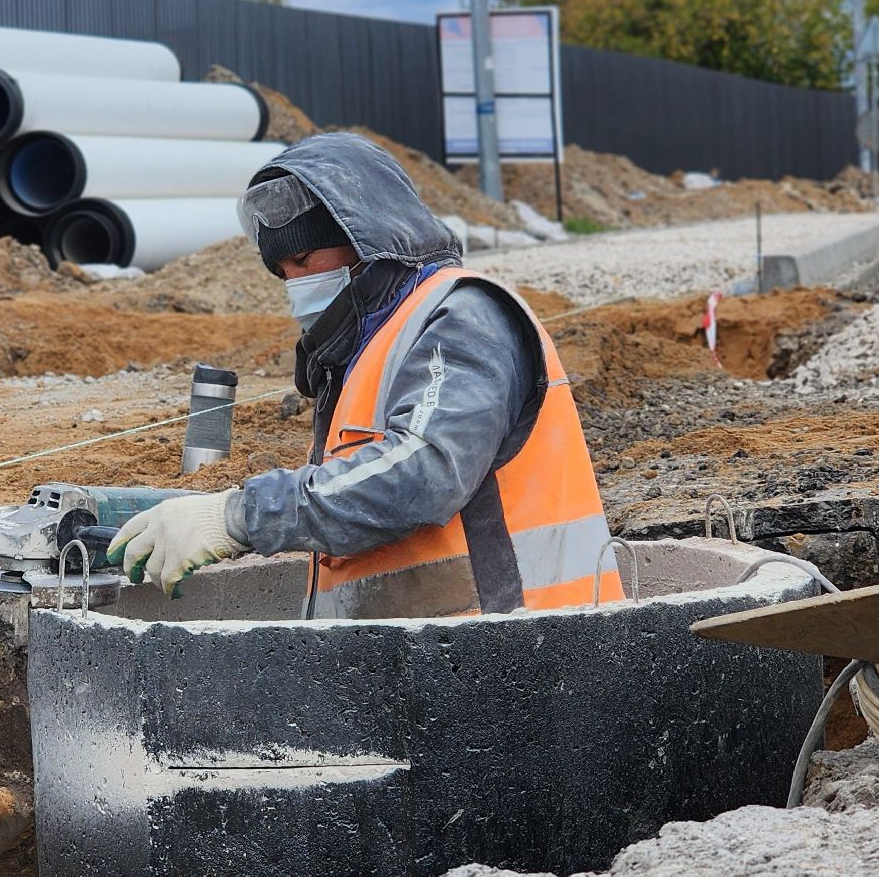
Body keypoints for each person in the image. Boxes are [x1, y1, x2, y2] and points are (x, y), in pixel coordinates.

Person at [107, 132, 619, 619]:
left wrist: (239, 517)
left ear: (363, 235)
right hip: (420, 669)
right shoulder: (369, 345)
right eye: (284, 272)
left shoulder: (461, 316)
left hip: (523, 653)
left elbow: (423, 470)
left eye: (304, 259)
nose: (297, 284)